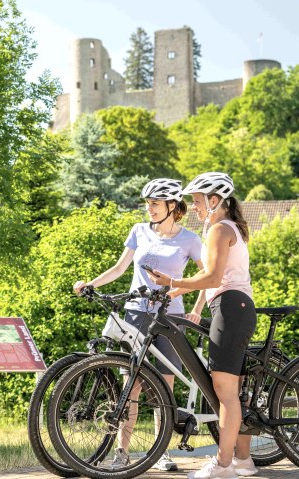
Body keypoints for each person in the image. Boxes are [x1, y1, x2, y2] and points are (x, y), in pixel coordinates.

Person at [73, 178, 203, 472]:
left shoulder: (190, 240)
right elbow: (119, 268)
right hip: (136, 313)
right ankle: (122, 452)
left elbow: (206, 277)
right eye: (147, 203)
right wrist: (89, 284)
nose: (149, 208)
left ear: (172, 206)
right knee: (130, 386)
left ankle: (161, 452)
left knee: (164, 389)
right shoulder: (139, 231)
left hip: (171, 317)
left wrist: (195, 309)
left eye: (155, 204)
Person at [147, 172, 257, 479]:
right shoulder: (223, 227)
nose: (193, 207)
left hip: (231, 307)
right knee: (229, 389)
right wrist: (172, 291)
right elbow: (206, 279)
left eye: (197, 201)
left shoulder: (220, 229)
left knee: (224, 391)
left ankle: (223, 465)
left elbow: (211, 279)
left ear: (214, 200)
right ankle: (244, 460)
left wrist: (171, 280)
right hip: (232, 306)